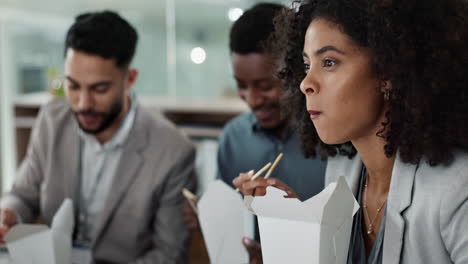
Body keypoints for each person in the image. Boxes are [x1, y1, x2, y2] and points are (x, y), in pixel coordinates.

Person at [242, 0, 468, 263]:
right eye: (306, 66)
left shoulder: (457, 191)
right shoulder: (343, 169)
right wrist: (299, 229)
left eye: (328, 62)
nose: (305, 83)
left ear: (388, 70)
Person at [0, 11, 197, 263]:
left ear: (130, 79)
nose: (83, 104)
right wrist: (9, 213)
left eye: (99, 89)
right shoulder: (52, 119)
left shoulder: (173, 151)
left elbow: (169, 255)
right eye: (72, 86)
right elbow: (22, 194)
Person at [182, 3, 327, 263]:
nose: (252, 100)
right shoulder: (233, 138)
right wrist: (206, 217)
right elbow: (229, 225)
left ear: (296, 71)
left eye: (265, 86)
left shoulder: (331, 137)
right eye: (241, 86)